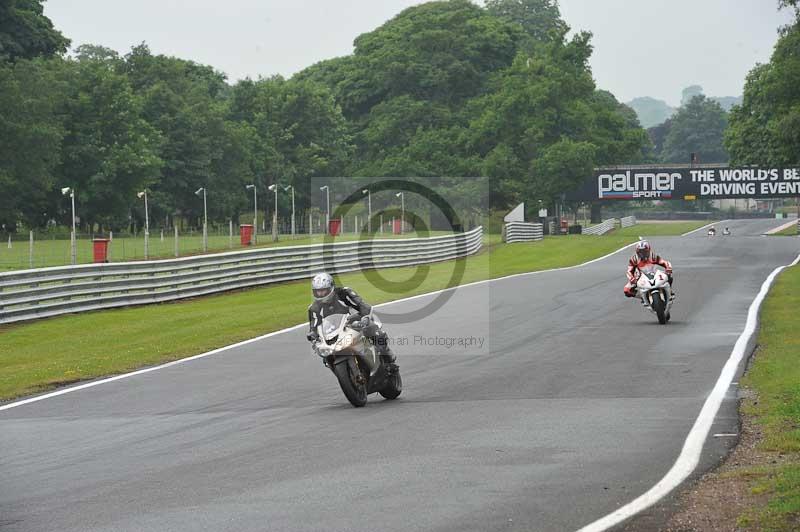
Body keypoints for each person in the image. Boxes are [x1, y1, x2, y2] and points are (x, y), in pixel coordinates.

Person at [306, 273, 397, 366]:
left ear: (332, 287)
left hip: (355, 322)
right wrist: (313, 335)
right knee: (325, 354)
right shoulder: (314, 308)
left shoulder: (344, 293)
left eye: (324, 291)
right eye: (318, 292)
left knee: (373, 330)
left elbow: (363, 306)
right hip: (334, 332)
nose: (321, 294)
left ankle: (387, 355)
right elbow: (314, 327)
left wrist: (365, 318)